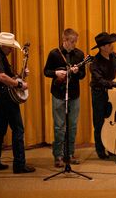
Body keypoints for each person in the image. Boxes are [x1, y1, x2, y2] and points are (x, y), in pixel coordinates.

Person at [0, 32, 35, 173]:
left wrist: (20, 76)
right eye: (10, 47)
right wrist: (19, 85)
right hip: (5, 97)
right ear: (3, 45)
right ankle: (19, 164)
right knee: (18, 129)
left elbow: (9, 77)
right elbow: (1, 77)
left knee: (0, 128)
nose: (11, 49)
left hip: (2, 96)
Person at [44, 28, 86, 167]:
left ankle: (70, 153)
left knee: (72, 126)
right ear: (64, 40)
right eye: (72, 41)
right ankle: (58, 156)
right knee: (59, 126)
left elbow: (82, 76)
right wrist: (56, 73)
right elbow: (46, 71)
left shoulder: (79, 54)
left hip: (74, 94)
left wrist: (77, 71)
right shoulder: (54, 54)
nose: (74, 44)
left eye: (75, 41)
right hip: (59, 94)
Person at [89, 32, 116, 159]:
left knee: (112, 121)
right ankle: (100, 150)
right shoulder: (95, 62)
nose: (112, 46)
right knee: (99, 122)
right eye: (109, 44)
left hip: (112, 93)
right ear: (102, 47)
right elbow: (100, 80)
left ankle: (111, 147)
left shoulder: (113, 56)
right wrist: (115, 84)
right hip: (99, 93)